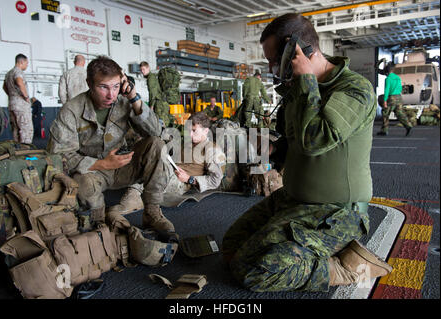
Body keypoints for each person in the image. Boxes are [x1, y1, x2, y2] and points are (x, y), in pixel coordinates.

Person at [222, 13, 392, 293]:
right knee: (231, 247)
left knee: (252, 271)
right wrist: (273, 149)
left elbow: (315, 141)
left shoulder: (355, 88)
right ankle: (307, 250)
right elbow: (294, 143)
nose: (271, 68)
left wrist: (306, 83)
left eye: (275, 60)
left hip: (336, 213)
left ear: (296, 51)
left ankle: (343, 268)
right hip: (292, 201)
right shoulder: (296, 91)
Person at [47, 56, 175, 234]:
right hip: (93, 172)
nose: (111, 94)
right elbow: (58, 156)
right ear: (89, 84)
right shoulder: (71, 110)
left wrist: (132, 95)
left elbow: (155, 132)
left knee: (157, 145)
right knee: (83, 184)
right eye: (103, 87)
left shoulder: (123, 102)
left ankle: (152, 213)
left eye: (116, 86)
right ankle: (99, 223)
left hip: (123, 167)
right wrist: (102, 164)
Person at [165, 111, 225, 195]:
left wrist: (189, 179)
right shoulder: (187, 143)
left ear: (206, 131)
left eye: (194, 130)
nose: (190, 134)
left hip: (181, 183)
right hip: (170, 173)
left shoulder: (212, 150)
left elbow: (215, 180)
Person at [3, 54, 33, 144]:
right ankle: (26, 151)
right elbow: (19, 82)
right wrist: (26, 97)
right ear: (21, 62)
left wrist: (12, 95)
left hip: (12, 104)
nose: (27, 65)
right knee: (26, 129)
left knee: (16, 129)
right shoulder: (18, 71)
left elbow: (4, 87)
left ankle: (17, 152)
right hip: (21, 105)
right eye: (26, 63)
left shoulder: (9, 73)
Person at [377, 63, 412, 136]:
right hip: (399, 97)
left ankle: (384, 130)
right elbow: (400, 88)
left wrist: (385, 100)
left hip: (391, 98)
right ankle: (408, 125)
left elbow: (387, 90)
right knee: (400, 113)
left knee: (385, 114)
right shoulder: (397, 77)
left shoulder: (388, 79)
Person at [140, 61, 173, 127]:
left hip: (158, 104)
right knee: (162, 123)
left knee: (159, 124)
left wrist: (151, 106)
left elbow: (153, 93)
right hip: (161, 103)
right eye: (141, 70)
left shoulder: (150, 78)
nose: (142, 71)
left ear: (148, 68)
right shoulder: (152, 76)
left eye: (144, 69)